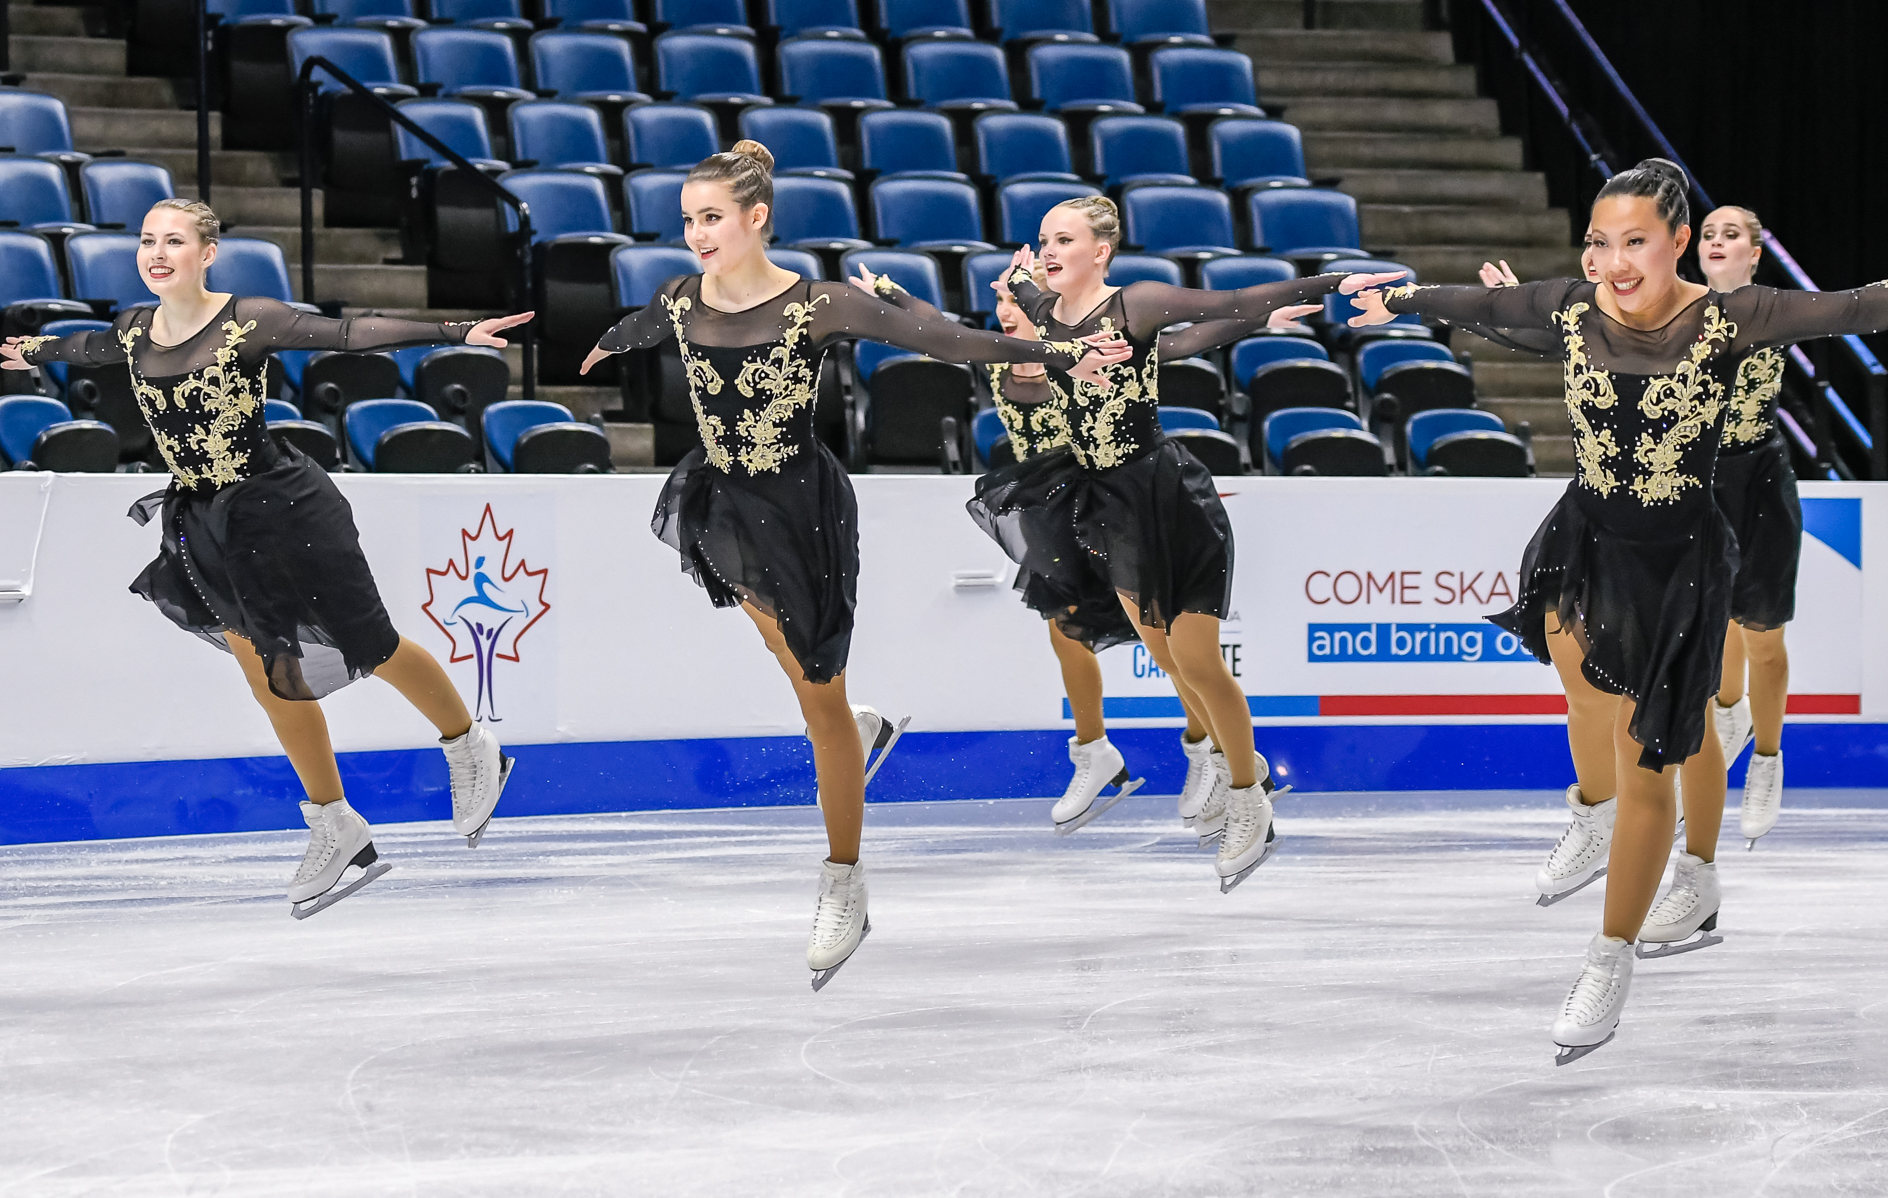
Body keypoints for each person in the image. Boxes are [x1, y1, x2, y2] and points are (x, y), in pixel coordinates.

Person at [1345, 159, 1888, 1063]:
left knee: (1657, 752)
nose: (1613, 261)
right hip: (1588, 538)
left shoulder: (1731, 319)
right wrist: (1401, 299)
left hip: (1681, 561)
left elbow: (1858, 307)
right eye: (1600, 242)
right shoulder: (1575, 309)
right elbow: (1484, 305)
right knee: (1587, 695)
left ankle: (1613, 951)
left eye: (1635, 241)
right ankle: (1595, 817)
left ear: (1679, 240)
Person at [579, 142, 1130, 987]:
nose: (696, 233)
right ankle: (858, 728)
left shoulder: (817, 303)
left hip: (800, 512)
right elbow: (649, 322)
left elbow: (942, 338)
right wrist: (607, 343)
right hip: (721, 500)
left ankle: (845, 879)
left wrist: (1059, 356)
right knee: (782, 651)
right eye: (688, 219)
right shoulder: (683, 295)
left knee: (818, 698)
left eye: (712, 217)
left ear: (756, 217)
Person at [0, 199, 528, 918]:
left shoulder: (247, 319)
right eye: (148, 240)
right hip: (205, 522)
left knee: (369, 643)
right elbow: (89, 347)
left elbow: (348, 333)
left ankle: (470, 747)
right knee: (267, 673)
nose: (157, 253)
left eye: (174, 241)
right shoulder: (134, 328)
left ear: (207, 252)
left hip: (282, 507)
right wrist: (36, 350)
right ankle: (335, 823)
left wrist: (455, 331)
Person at [983, 196, 1399, 889]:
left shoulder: (1136, 303)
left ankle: (1248, 797)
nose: (1049, 250)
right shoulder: (1046, 314)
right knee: (1165, 656)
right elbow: (1024, 293)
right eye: (1044, 238)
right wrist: (1016, 281)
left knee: (1198, 660)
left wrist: (1327, 284)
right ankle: (1230, 761)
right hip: (1105, 512)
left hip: (1167, 496)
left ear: (1101, 252)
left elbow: (1227, 300)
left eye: (1065, 239)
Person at [853, 265, 1240, 835]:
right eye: (1000, 306)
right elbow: (935, 323)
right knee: (1066, 631)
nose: (1006, 315)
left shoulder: (1085, 351)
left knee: (1164, 644)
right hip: (1054, 517)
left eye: (1016, 304)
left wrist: (1256, 316)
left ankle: (1207, 748)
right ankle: (1094, 750)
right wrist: (890, 292)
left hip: (1112, 501)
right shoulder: (998, 360)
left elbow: (1175, 344)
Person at [1695, 207, 1791, 848]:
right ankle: (1727, 717)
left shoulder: (1777, 309)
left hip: (1760, 479)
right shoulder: (1677, 309)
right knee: (1712, 621)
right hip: (1697, 480)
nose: (1717, 241)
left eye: (1731, 234)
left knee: (1761, 631)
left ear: (1754, 253)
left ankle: (1767, 760)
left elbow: (1852, 308)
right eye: (1708, 234)